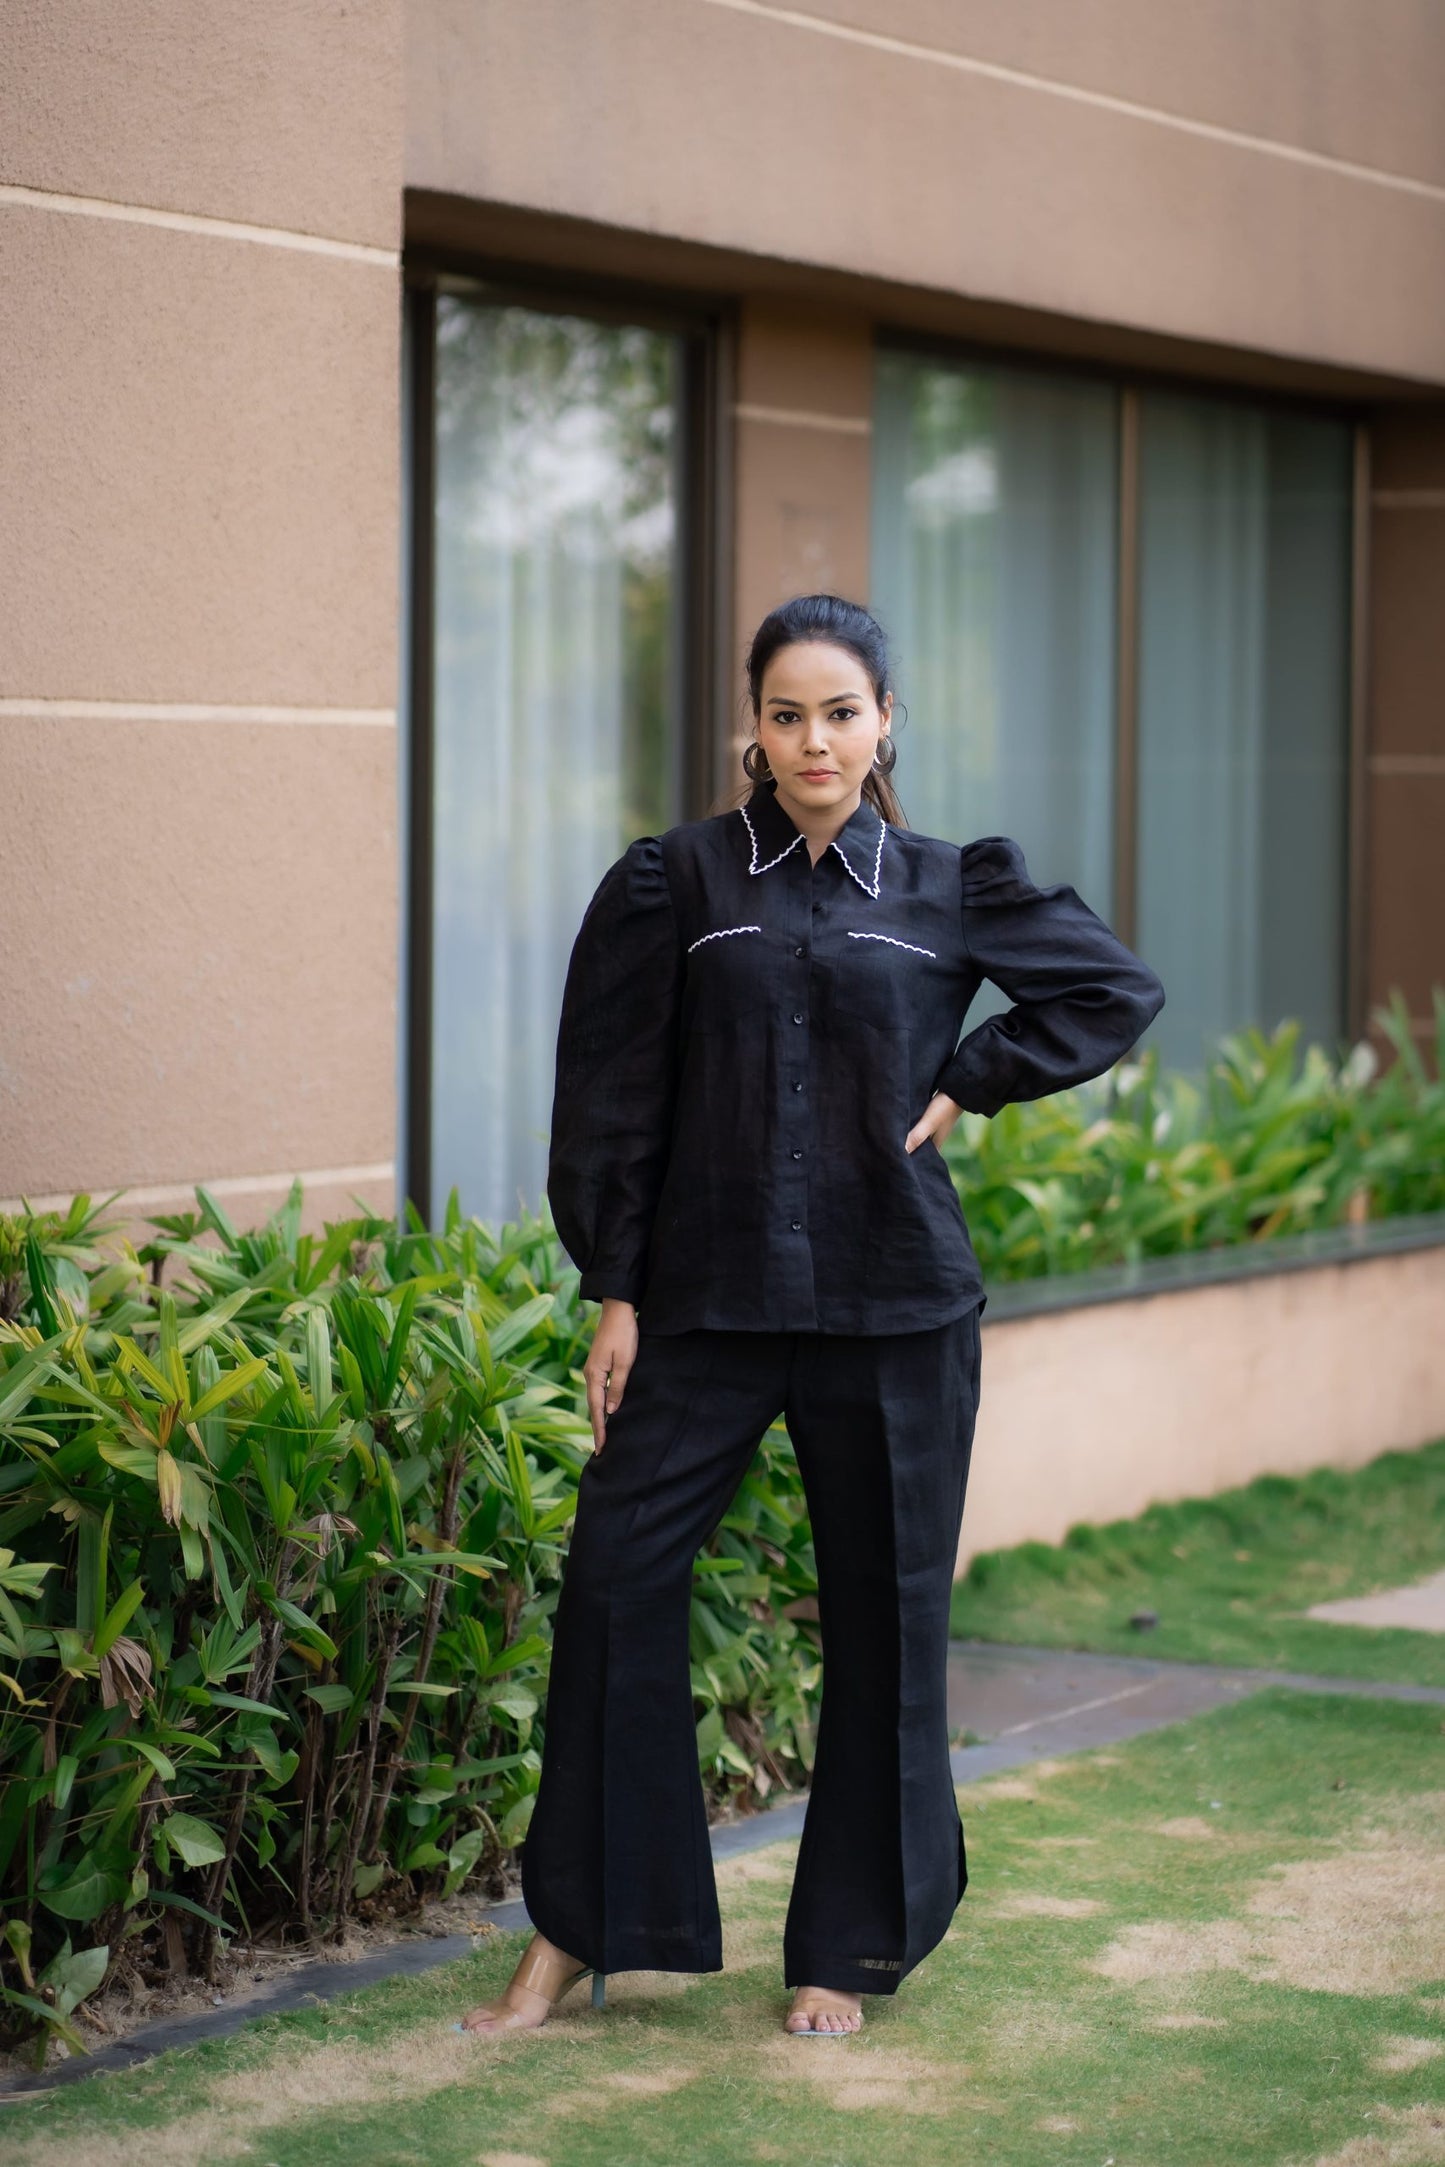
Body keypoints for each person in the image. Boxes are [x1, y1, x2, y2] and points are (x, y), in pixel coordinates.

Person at [460, 592, 1166, 2040]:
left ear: (884, 721)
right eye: (786, 713)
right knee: (613, 1585)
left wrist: (970, 1078)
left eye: (840, 711)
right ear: (754, 727)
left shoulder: (953, 884)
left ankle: (841, 1950)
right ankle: (581, 1933)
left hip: (894, 1305)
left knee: (887, 1621)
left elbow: (1110, 988)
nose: (812, 739)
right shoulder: (676, 881)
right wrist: (616, 1288)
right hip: (707, 1306)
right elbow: (610, 1100)